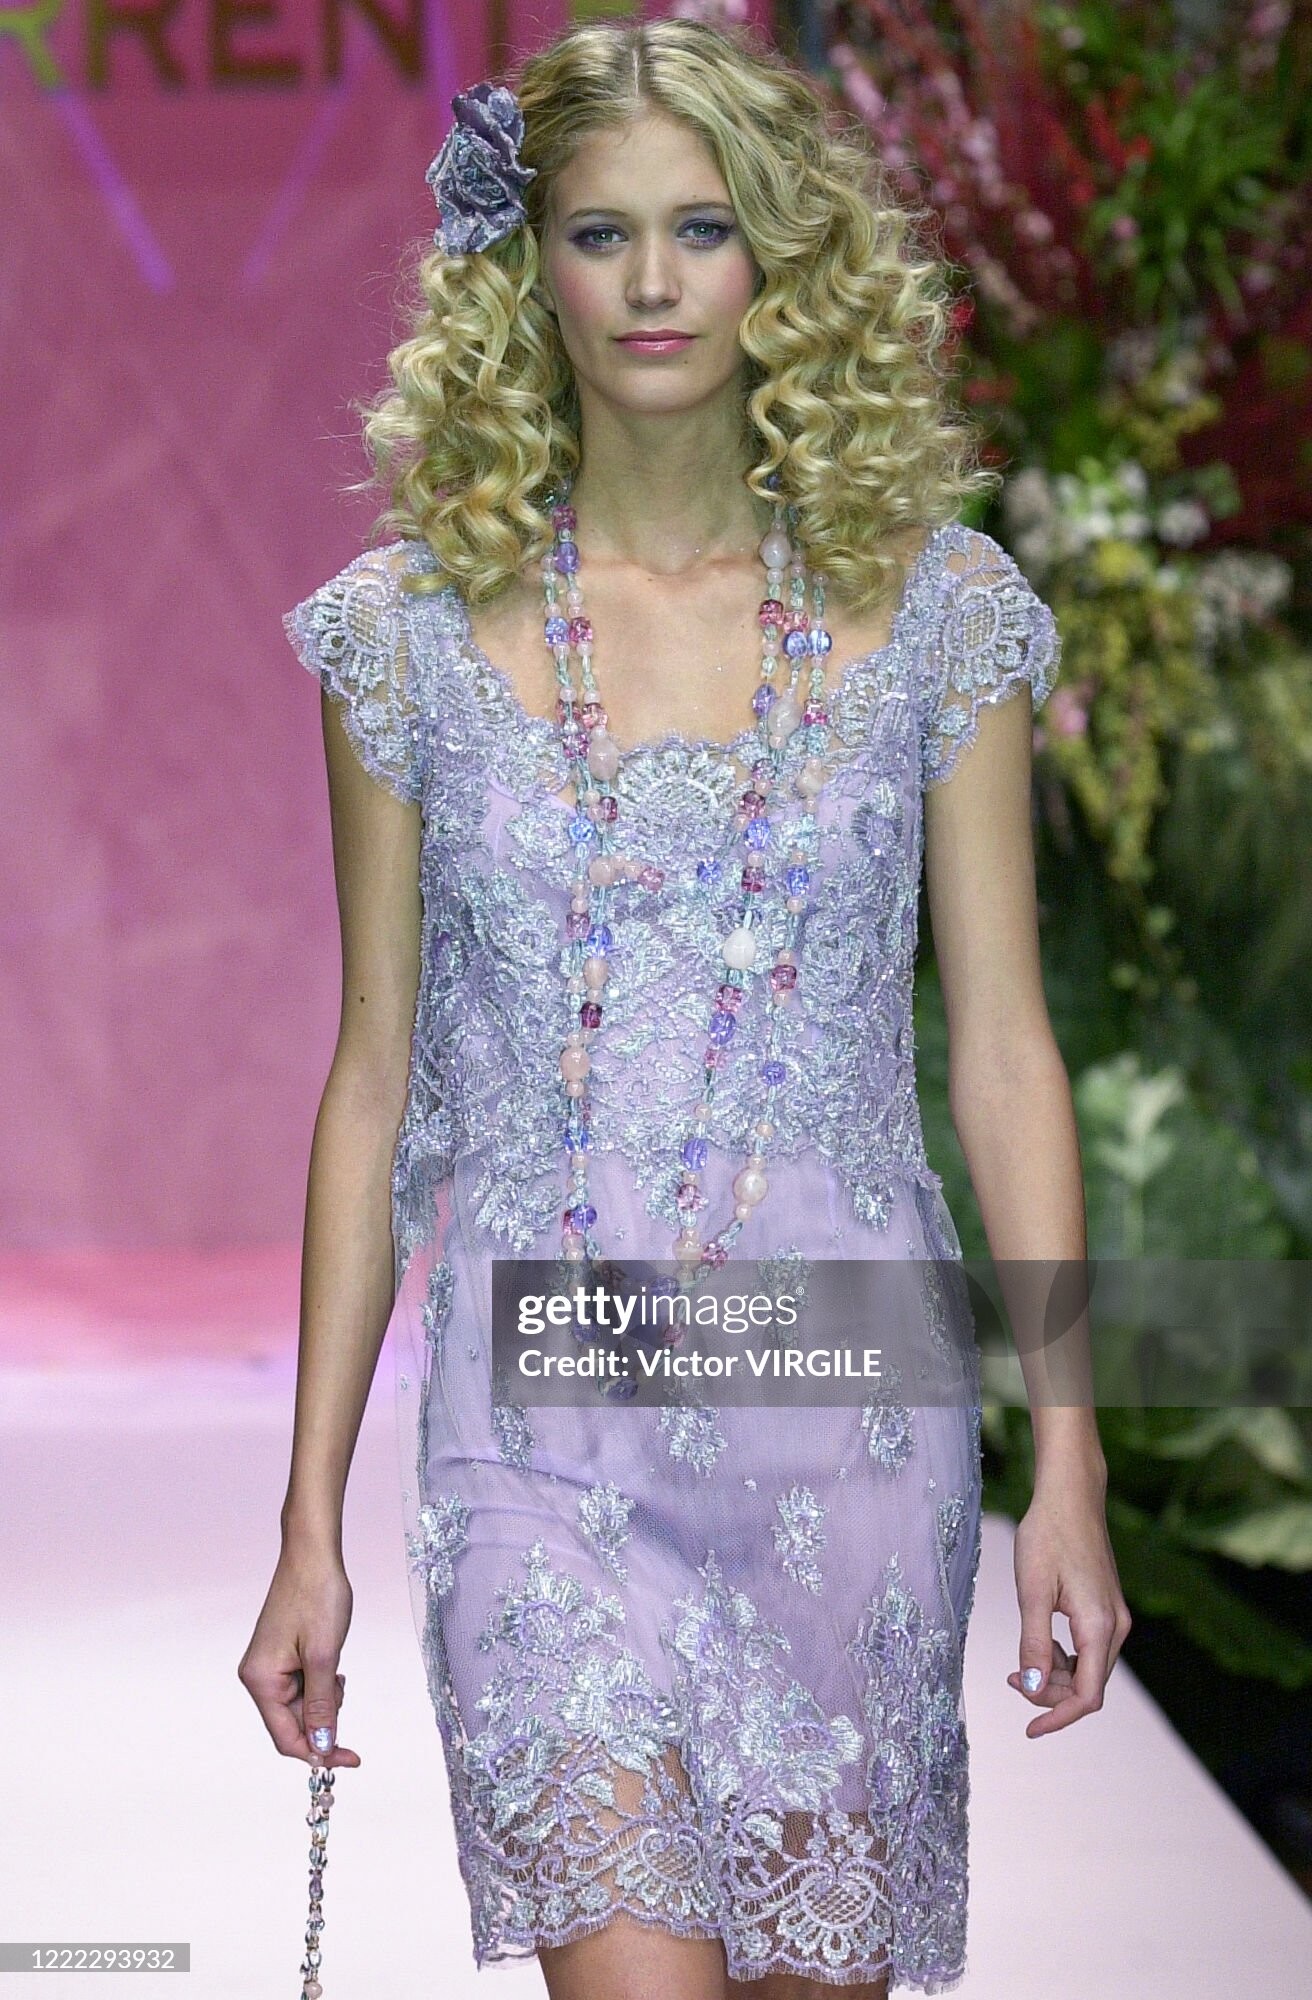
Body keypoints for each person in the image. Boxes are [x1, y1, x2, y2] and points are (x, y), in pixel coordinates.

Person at [239, 18, 1130, 1998]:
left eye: (702, 229)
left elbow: (1003, 1054)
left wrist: (1065, 1461)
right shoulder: (401, 637)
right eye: (600, 231)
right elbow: (372, 1080)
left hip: (847, 1427)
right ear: (527, 264)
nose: (651, 282)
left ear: (776, 259)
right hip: (538, 1439)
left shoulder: (938, 611)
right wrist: (306, 1517)